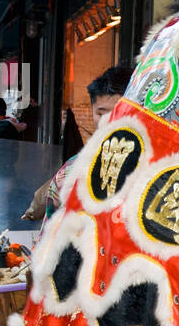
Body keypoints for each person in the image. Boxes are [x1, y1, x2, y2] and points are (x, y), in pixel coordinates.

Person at [22, 65, 131, 223]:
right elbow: (51, 225)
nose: (109, 120)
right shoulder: (75, 166)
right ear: (92, 110)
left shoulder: (157, 161)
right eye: (101, 113)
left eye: (119, 112)